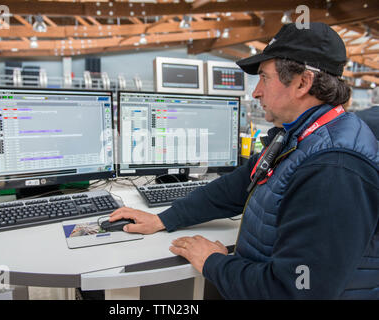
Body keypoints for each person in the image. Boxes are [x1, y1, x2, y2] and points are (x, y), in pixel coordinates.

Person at [110, 22, 379, 299]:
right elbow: (234, 188)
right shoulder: (296, 137)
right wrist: (163, 219)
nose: (255, 92)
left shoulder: (334, 168)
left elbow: (296, 292)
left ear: (302, 82)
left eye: (264, 77)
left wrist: (214, 262)